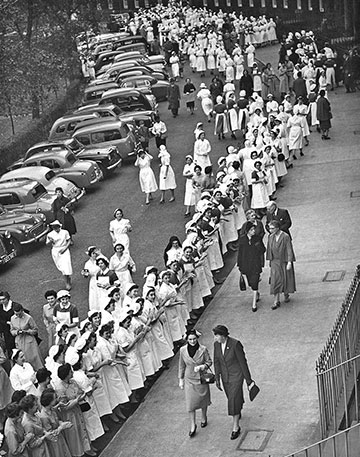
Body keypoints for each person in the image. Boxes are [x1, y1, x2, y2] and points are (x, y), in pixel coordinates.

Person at [213, 325, 254, 440]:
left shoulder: (235, 344)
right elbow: (216, 361)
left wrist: (248, 380)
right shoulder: (216, 345)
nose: (215, 338)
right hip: (225, 377)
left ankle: (236, 427)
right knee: (232, 398)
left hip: (236, 376)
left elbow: (242, 362)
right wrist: (217, 378)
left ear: (223, 335)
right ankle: (238, 408)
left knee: (233, 399)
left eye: (217, 336)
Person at [178, 329, 212, 437]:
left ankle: (203, 417)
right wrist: (181, 379)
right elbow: (181, 365)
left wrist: (203, 366)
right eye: (190, 339)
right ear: (187, 340)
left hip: (201, 378)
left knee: (203, 399)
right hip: (189, 379)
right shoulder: (183, 350)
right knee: (190, 404)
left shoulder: (203, 349)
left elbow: (209, 361)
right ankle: (192, 425)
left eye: (194, 339)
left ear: (197, 339)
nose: (192, 341)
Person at [266, 220, 296, 310]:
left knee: (285, 278)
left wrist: (289, 262)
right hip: (275, 261)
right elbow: (269, 249)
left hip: (284, 260)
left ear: (277, 228)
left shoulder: (285, 236)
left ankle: (286, 294)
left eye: (272, 228)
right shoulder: (270, 237)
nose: (270, 230)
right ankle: (276, 301)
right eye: (269, 228)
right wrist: (270, 261)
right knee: (275, 280)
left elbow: (289, 249)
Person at [38, 388, 73, 457]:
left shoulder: (51, 409)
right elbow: (50, 435)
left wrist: (62, 423)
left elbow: (57, 419)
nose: (56, 399)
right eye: (55, 398)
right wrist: (61, 427)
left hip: (60, 438)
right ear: (49, 401)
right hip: (54, 443)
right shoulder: (44, 416)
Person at [10, 303, 43, 370]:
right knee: (22, 358)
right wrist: (16, 332)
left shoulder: (28, 318)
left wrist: (27, 331)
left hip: (29, 341)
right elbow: (12, 330)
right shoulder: (12, 318)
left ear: (22, 310)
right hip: (19, 341)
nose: (18, 315)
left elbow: (35, 330)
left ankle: (39, 372)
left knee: (33, 358)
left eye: (19, 314)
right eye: (16, 314)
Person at [46, 220, 73, 290]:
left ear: (59, 226)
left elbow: (69, 240)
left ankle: (67, 282)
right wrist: (51, 241)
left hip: (64, 249)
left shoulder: (65, 232)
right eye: (54, 227)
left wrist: (65, 248)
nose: (56, 228)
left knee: (66, 266)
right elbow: (48, 244)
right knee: (61, 267)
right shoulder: (50, 235)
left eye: (57, 227)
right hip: (56, 251)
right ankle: (67, 278)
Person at [81, 246, 102, 311]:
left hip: (102, 279)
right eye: (93, 253)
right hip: (94, 281)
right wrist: (84, 274)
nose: (95, 255)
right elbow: (86, 275)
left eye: (96, 253)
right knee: (94, 296)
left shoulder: (100, 261)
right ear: (90, 254)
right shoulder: (87, 264)